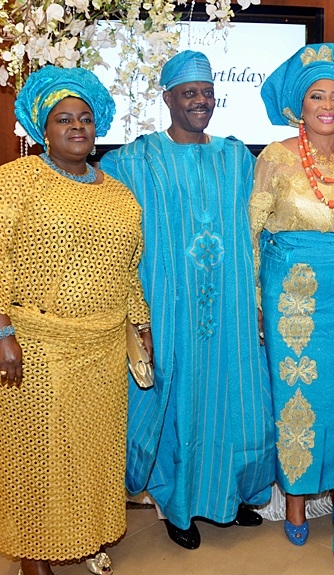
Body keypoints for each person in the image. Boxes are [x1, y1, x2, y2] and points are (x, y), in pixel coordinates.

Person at [0, 65, 151, 575]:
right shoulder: (14, 181)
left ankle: (84, 535)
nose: (77, 127)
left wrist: (140, 326)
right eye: (64, 119)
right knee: (35, 453)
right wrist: (2, 334)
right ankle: (35, 552)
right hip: (35, 343)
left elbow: (128, 269)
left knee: (91, 451)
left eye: (85, 118)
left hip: (102, 346)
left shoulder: (118, 194)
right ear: (43, 128)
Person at [100, 51, 275, 551]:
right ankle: (179, 507)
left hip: (233, 309)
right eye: (189, 92)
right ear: (168, 98)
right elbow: (107, 216)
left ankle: (231, 496)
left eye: (207, 92)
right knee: (181, 405)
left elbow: (262, 226)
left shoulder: (237, 159)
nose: (200, 101)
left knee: (236, 400)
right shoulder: (136, 160)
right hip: (172, 309)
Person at [250, 43, 334, 559]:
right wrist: (257, 302)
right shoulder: (275, 158)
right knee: (296, 400)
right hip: (291, 303)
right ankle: (297, 502)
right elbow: (252, 232)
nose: (328, 105)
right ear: (298, 105)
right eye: (317, 96)